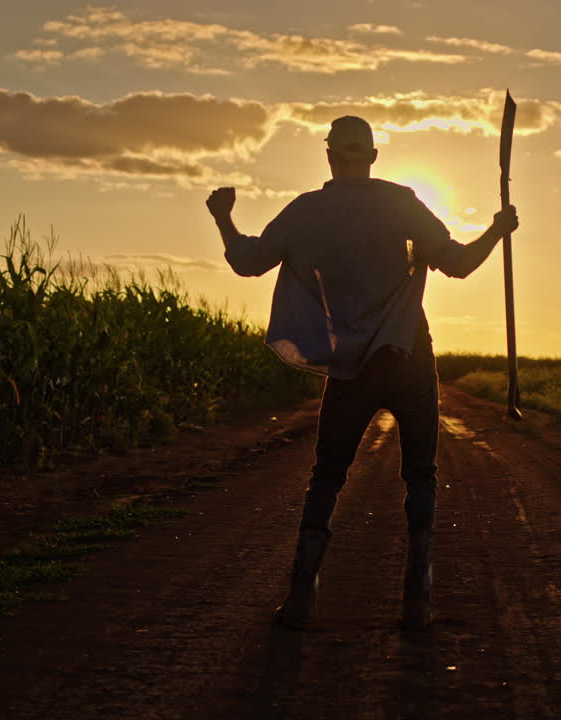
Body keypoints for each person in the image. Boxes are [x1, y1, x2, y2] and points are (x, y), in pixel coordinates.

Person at [205, 115, 519, 631]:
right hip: (408, 354)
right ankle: (417, 600)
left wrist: (223, 217)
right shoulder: (401, 203)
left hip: (349, 365)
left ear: (330, 156)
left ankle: (300, 596)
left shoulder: (307, 211)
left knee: (327, 477)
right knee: (421, 475)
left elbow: (249, 261)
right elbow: (459, 264)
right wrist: (497, 231)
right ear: (372, 157)